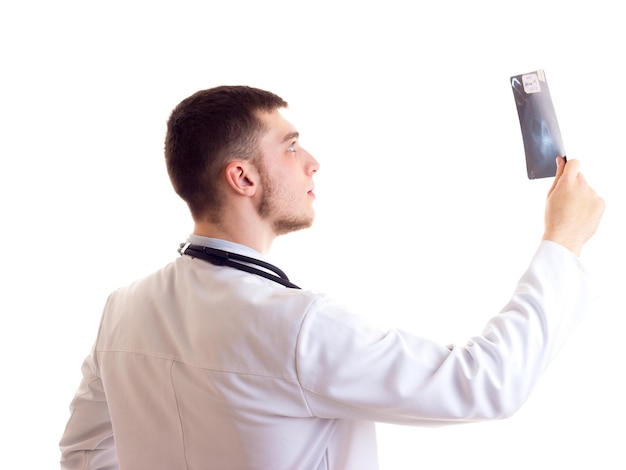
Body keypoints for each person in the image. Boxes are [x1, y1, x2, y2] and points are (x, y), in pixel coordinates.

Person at [59, 85, 605, 470]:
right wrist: (564, 241)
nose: (312, 162)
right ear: (243, 177)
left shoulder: (122, 308)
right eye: (292, 146)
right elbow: (485, 383)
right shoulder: (297, 327)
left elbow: (83, 453)